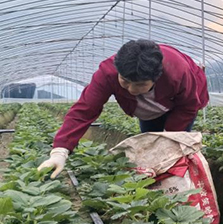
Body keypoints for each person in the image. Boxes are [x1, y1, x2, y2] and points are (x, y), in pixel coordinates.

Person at [38, 40, 209, 178]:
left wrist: (168, 140)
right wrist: (60, 152)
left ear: (156, 78)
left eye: (140, 84)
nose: (132, 90)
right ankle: (153, 182)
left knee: (171, 149)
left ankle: (176, 183)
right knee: (150, 143)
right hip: (148, 112)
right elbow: (85, 109)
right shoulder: (107, 73)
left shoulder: (178, 71)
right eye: (125, 81)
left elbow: (187, 106)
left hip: (179, 106)